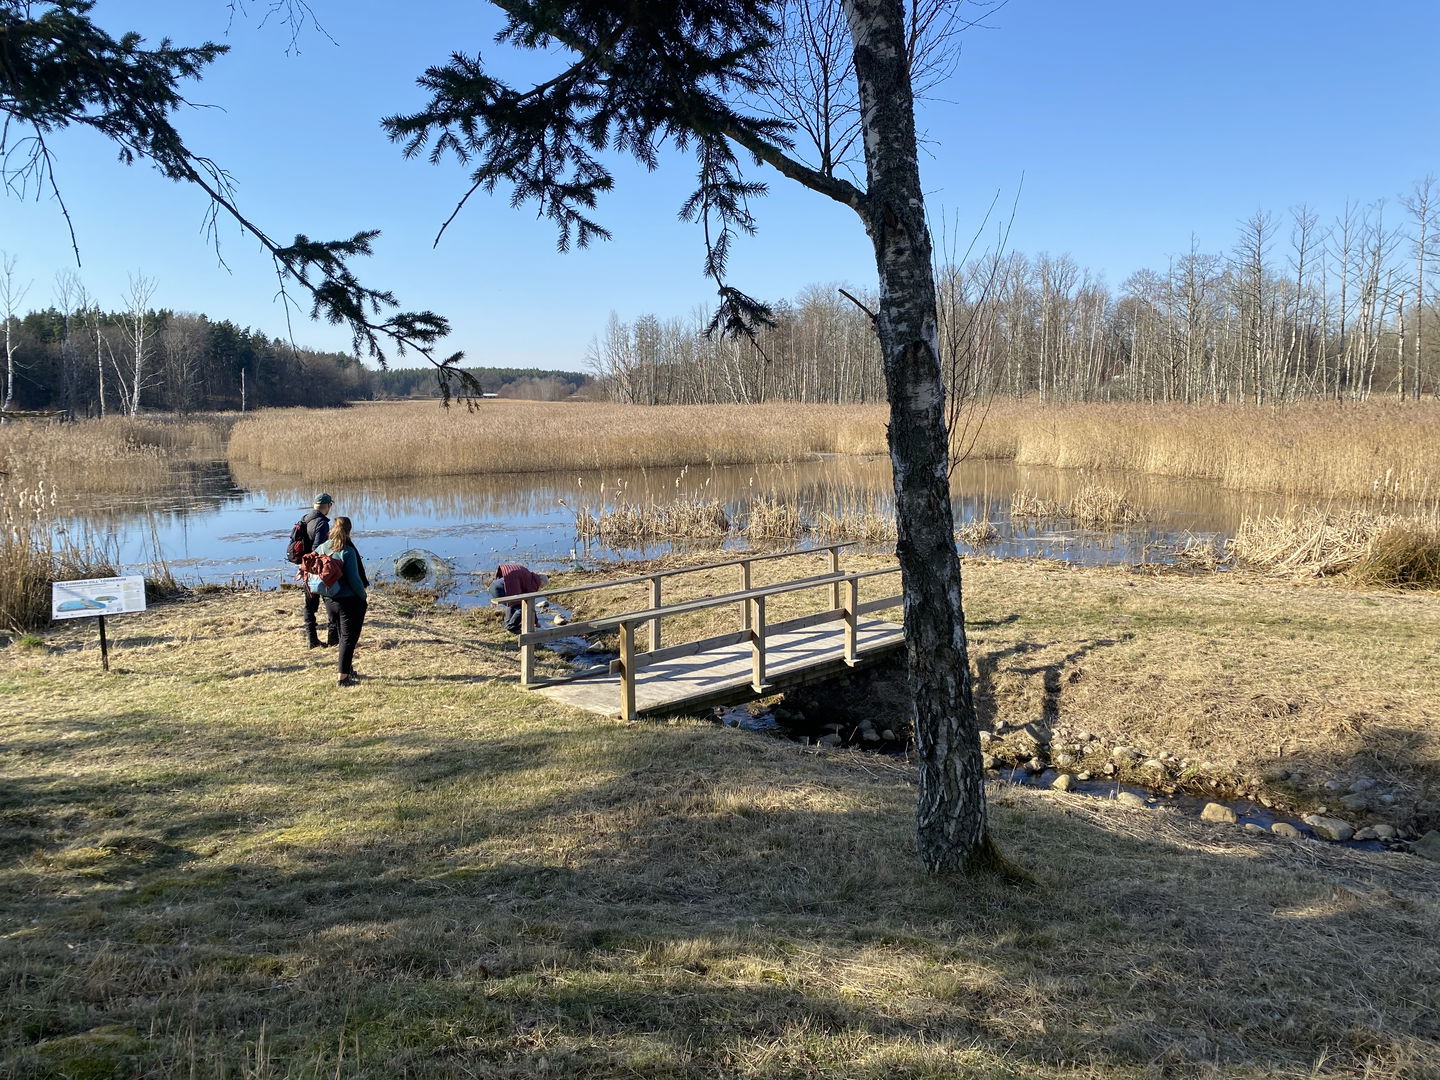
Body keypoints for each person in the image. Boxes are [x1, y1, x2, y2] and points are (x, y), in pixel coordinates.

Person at [312, 515, 369, 686]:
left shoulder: (323, 547)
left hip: (329, 599)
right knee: (348, 638)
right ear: (349, 530)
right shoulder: (347, 551)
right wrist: (363, 597)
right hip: (348, 601)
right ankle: (343, 678)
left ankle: (348, 669)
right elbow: (354, 579)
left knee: (341, 635)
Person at [299, 493, 333, 648]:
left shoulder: (305, 519)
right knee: (331, 603)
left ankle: (311, 640)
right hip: (317, 570)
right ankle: (333, 640)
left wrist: (302, 567)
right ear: (328, 506)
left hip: (305, 568)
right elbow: (319, 549)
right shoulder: (322, 523)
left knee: (309, 606)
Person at [489, 563, 549, 634]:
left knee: (512, 605)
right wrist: (536, 622)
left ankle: (507, 623)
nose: (539, 588)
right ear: (540, 582)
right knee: (521, 609)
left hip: (493, 586)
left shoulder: (529, 576)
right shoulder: (533, 583)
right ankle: (511, 627)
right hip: (500, 590)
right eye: (541, 586)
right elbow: (530, 605)